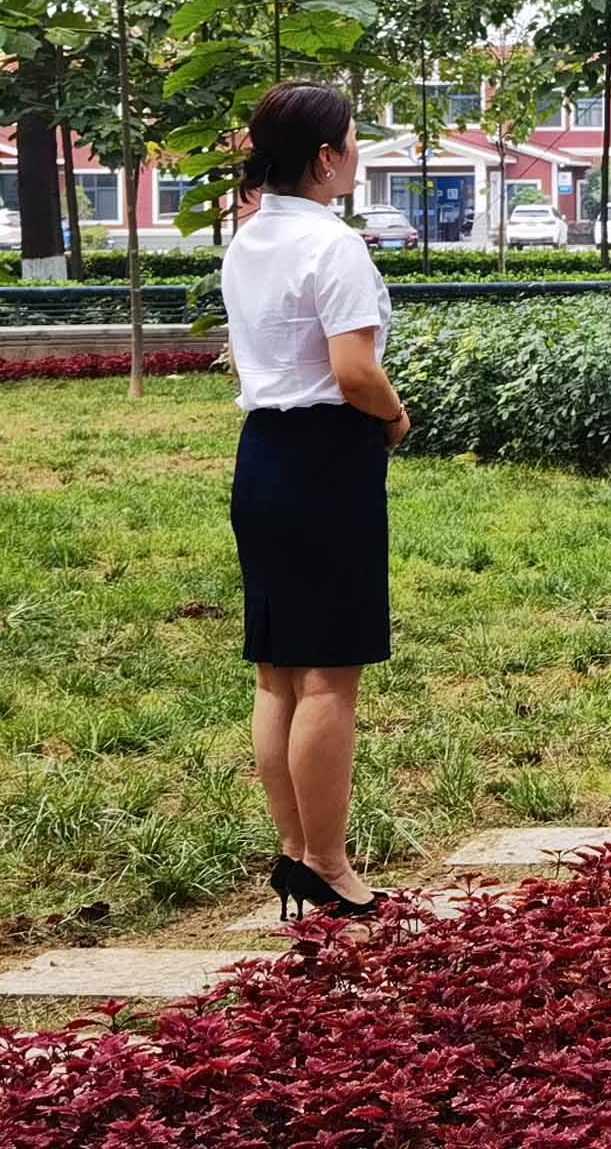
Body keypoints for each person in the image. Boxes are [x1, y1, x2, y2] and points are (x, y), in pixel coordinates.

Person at [221, 81, 411, 919]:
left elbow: (247, 355)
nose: (358, 155)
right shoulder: (333, 246)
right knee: (330, 676)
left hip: (262, 454)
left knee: (278, 676)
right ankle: (331, 867)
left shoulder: (248, 239)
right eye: (353, 141)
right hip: (328, 459)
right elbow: (355, 372)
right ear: (326, 158)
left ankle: (298, 853)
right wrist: (396, 417)